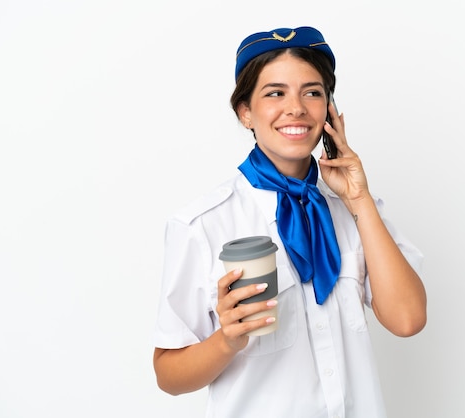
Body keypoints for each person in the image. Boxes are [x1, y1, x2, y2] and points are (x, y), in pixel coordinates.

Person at [152, 26, 427, 417]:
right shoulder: (202, 225)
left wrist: (359, 200)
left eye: (312, 92)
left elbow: (407, 319)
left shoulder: (356, 212)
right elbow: (167, 374)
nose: (296, 108)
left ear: (329, 109)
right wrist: (227, 340)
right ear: (245, 111)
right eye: (275, 93)